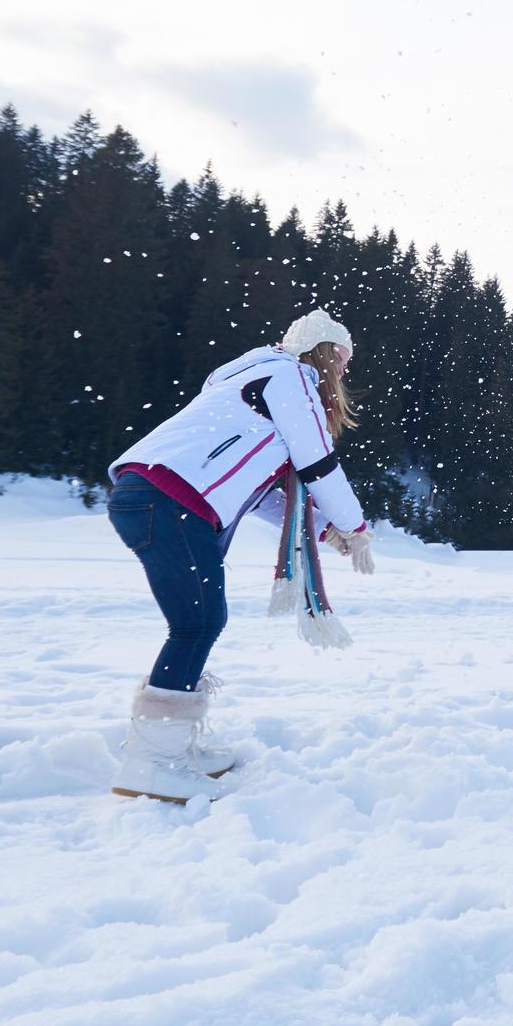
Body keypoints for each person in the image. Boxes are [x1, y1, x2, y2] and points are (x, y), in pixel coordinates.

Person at [100, 309, 376, 803]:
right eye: (344, 361)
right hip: (170, 501)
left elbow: (272, 496)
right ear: (328, 354)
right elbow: (319, 464)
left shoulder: (245, 385)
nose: (344, 373)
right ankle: (154, 762)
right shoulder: (292, 376)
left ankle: (169, 748)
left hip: (146, 496)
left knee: (198, 621)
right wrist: (355, 525)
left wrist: (328, 528)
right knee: (197, 624)